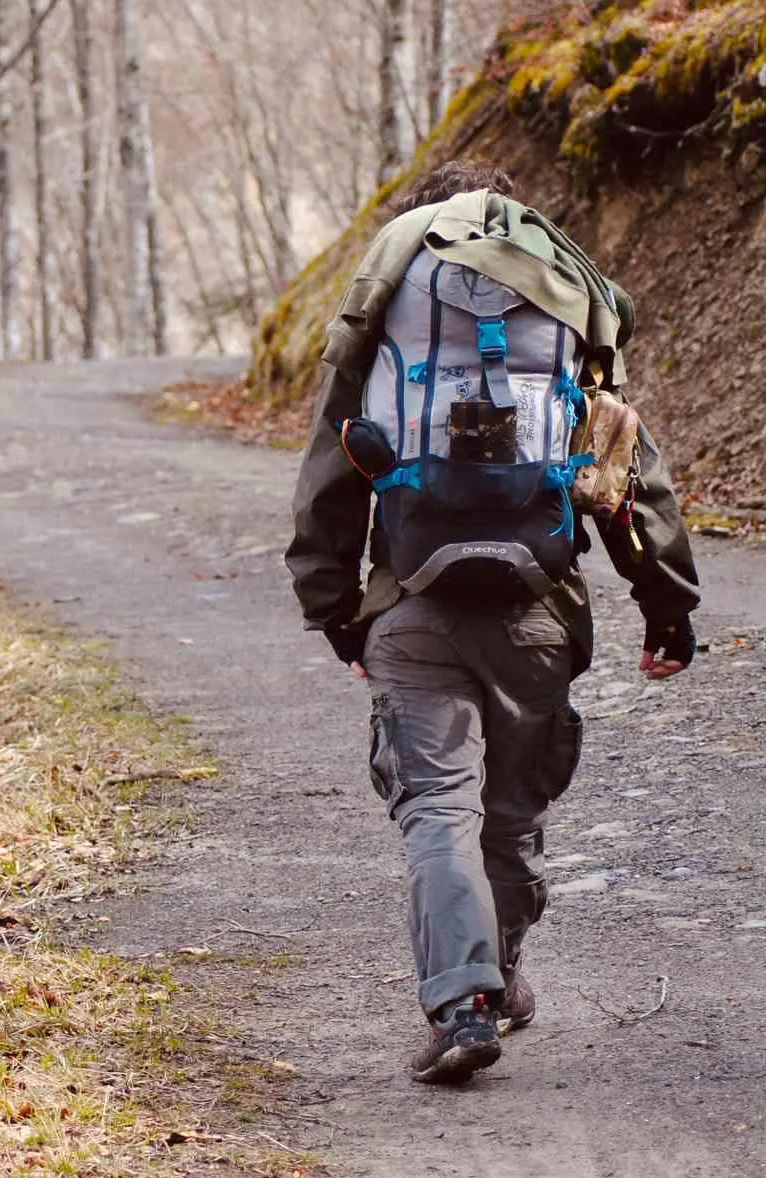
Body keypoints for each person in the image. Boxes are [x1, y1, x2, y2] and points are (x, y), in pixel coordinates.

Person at [286, 161, 700, 1085]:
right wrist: (665, 604)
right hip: (538, 613)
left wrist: (337, 612)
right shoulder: (561, 303)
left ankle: (463, 1005)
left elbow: (328, 475)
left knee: (437, 805)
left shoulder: (387, 310)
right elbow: (625, 468)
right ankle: (501, 975)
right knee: (511, 816)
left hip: (413, 605)